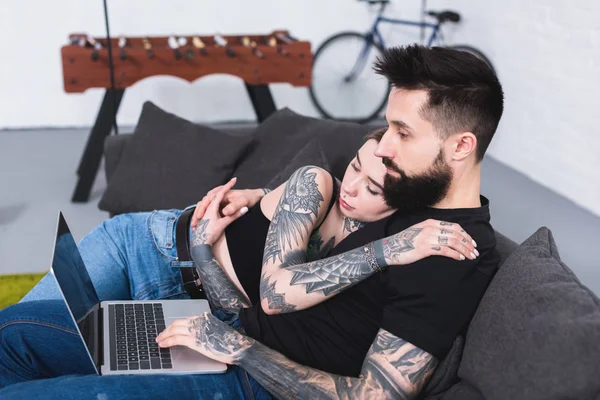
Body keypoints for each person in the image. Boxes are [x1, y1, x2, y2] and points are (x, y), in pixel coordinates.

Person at [0, 44, 504, 399]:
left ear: (461, 146)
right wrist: (265, 202)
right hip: (215, 324)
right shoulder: (409, 190)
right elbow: (287, 270)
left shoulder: (450, 250)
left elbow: (373, 396)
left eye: (402, 132)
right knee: (9, 341)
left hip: (245, 373)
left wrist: (238, 348)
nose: (381, 147)